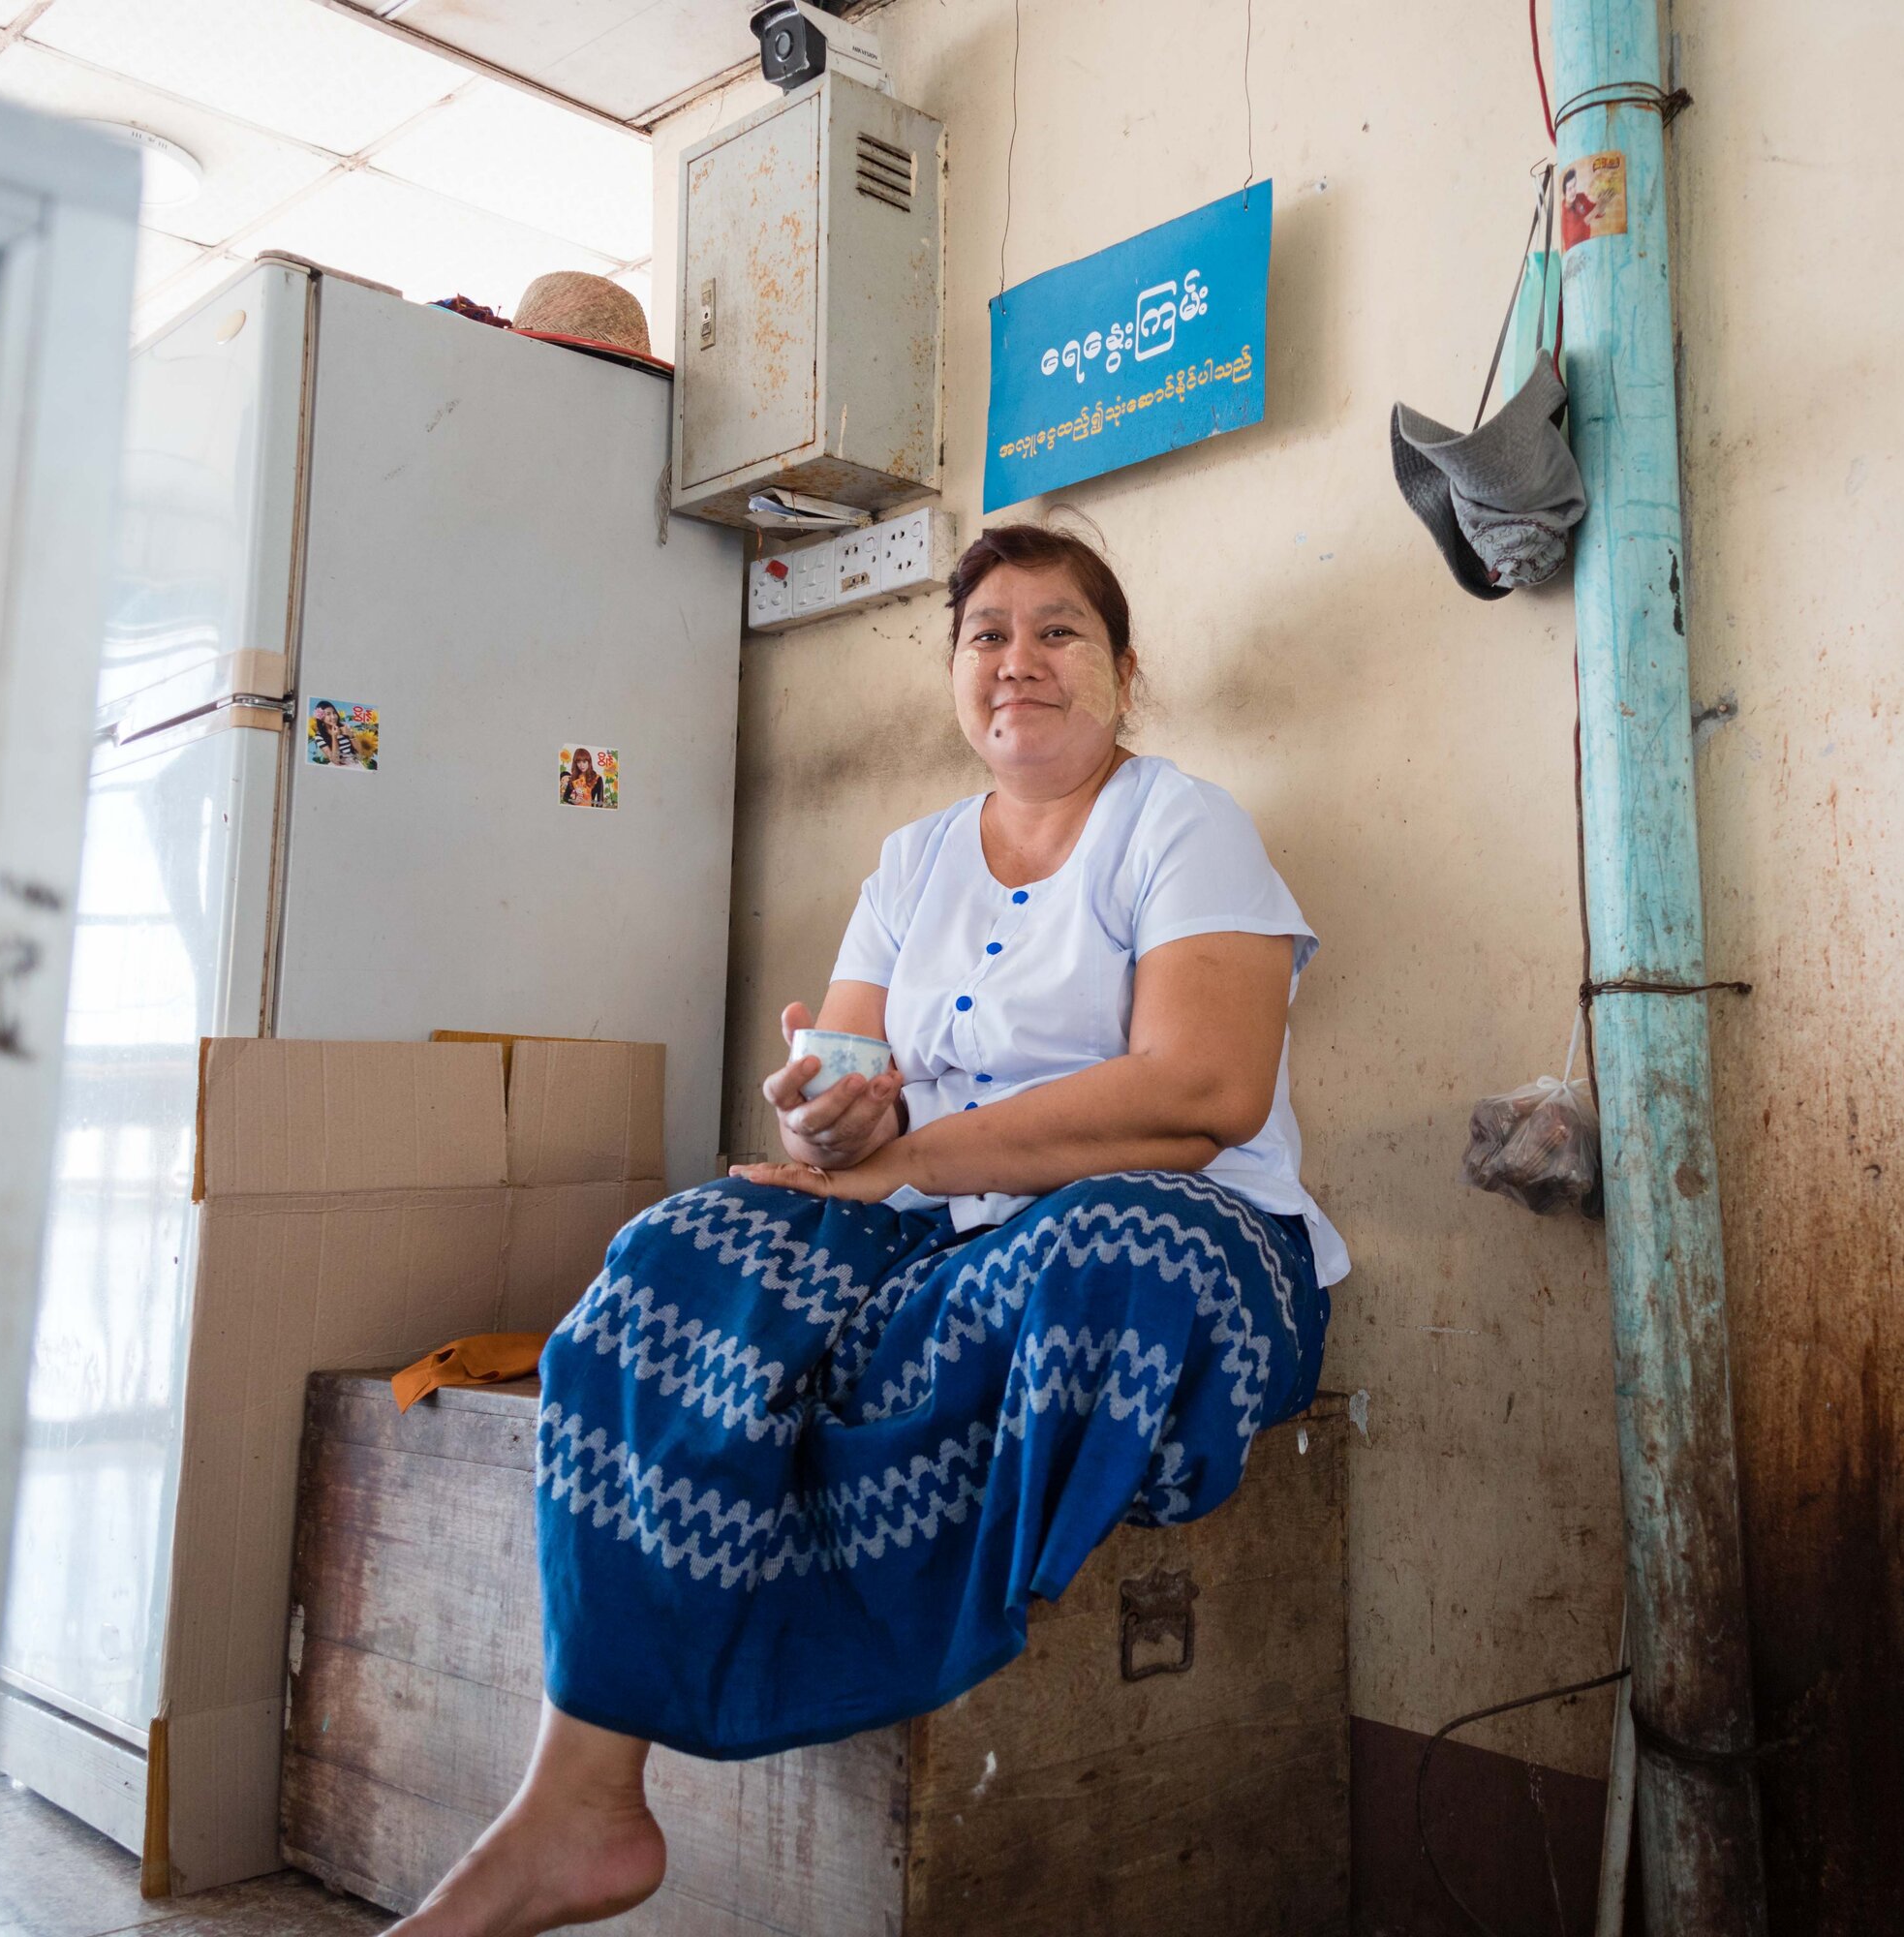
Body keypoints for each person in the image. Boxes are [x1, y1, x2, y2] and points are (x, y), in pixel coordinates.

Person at [392, 523, 1349, 1936]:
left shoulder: (1184, 824)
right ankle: (580, 1799)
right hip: (936, 1236)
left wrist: (895, 1162)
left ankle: (842, 1639)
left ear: (1124, 672)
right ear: (957, 676)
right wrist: (818, 1121)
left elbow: (1202, 1096)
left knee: (1106, 1251)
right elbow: (842, 1104)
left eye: (1058, 632)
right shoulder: (910, 862)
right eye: (985, 636)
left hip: (1194, 1246)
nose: (1016, 659)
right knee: (679, 1250)